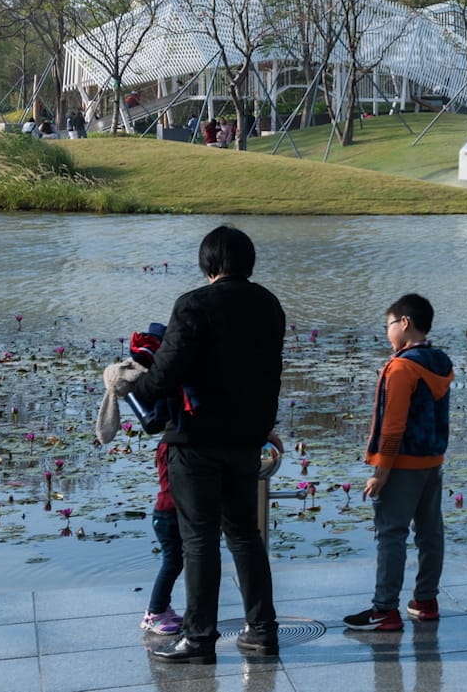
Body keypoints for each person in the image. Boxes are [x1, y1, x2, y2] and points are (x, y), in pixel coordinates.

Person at [129, 225, 286, 664]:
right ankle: (262, 630)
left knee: (198, 540)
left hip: (196, 440)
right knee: (245, 536)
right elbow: (269, 373)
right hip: (245, 440)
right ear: (247, 262)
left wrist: (134, 385)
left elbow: (165, 374)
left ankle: (199, 638)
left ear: (209, 263)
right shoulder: (269, 305)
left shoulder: (194, 304)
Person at [344, 293, 454, 632]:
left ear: (404, 323)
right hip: (431, 461)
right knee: (430, 533)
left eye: (388, 325)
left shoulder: (402, 367)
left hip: (402, 464)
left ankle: (384, 609)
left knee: (391, 534)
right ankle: (425, 600)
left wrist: (381, 472)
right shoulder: (440, 361)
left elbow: (393, 427)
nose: (388, 332)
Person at [128, 323, 186, 636]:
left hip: (167, 512)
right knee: (172, 563)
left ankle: (161, 607)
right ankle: (153, 612)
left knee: (174, 562)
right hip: (168, 513)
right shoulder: (169, 448)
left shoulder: (166, 443)